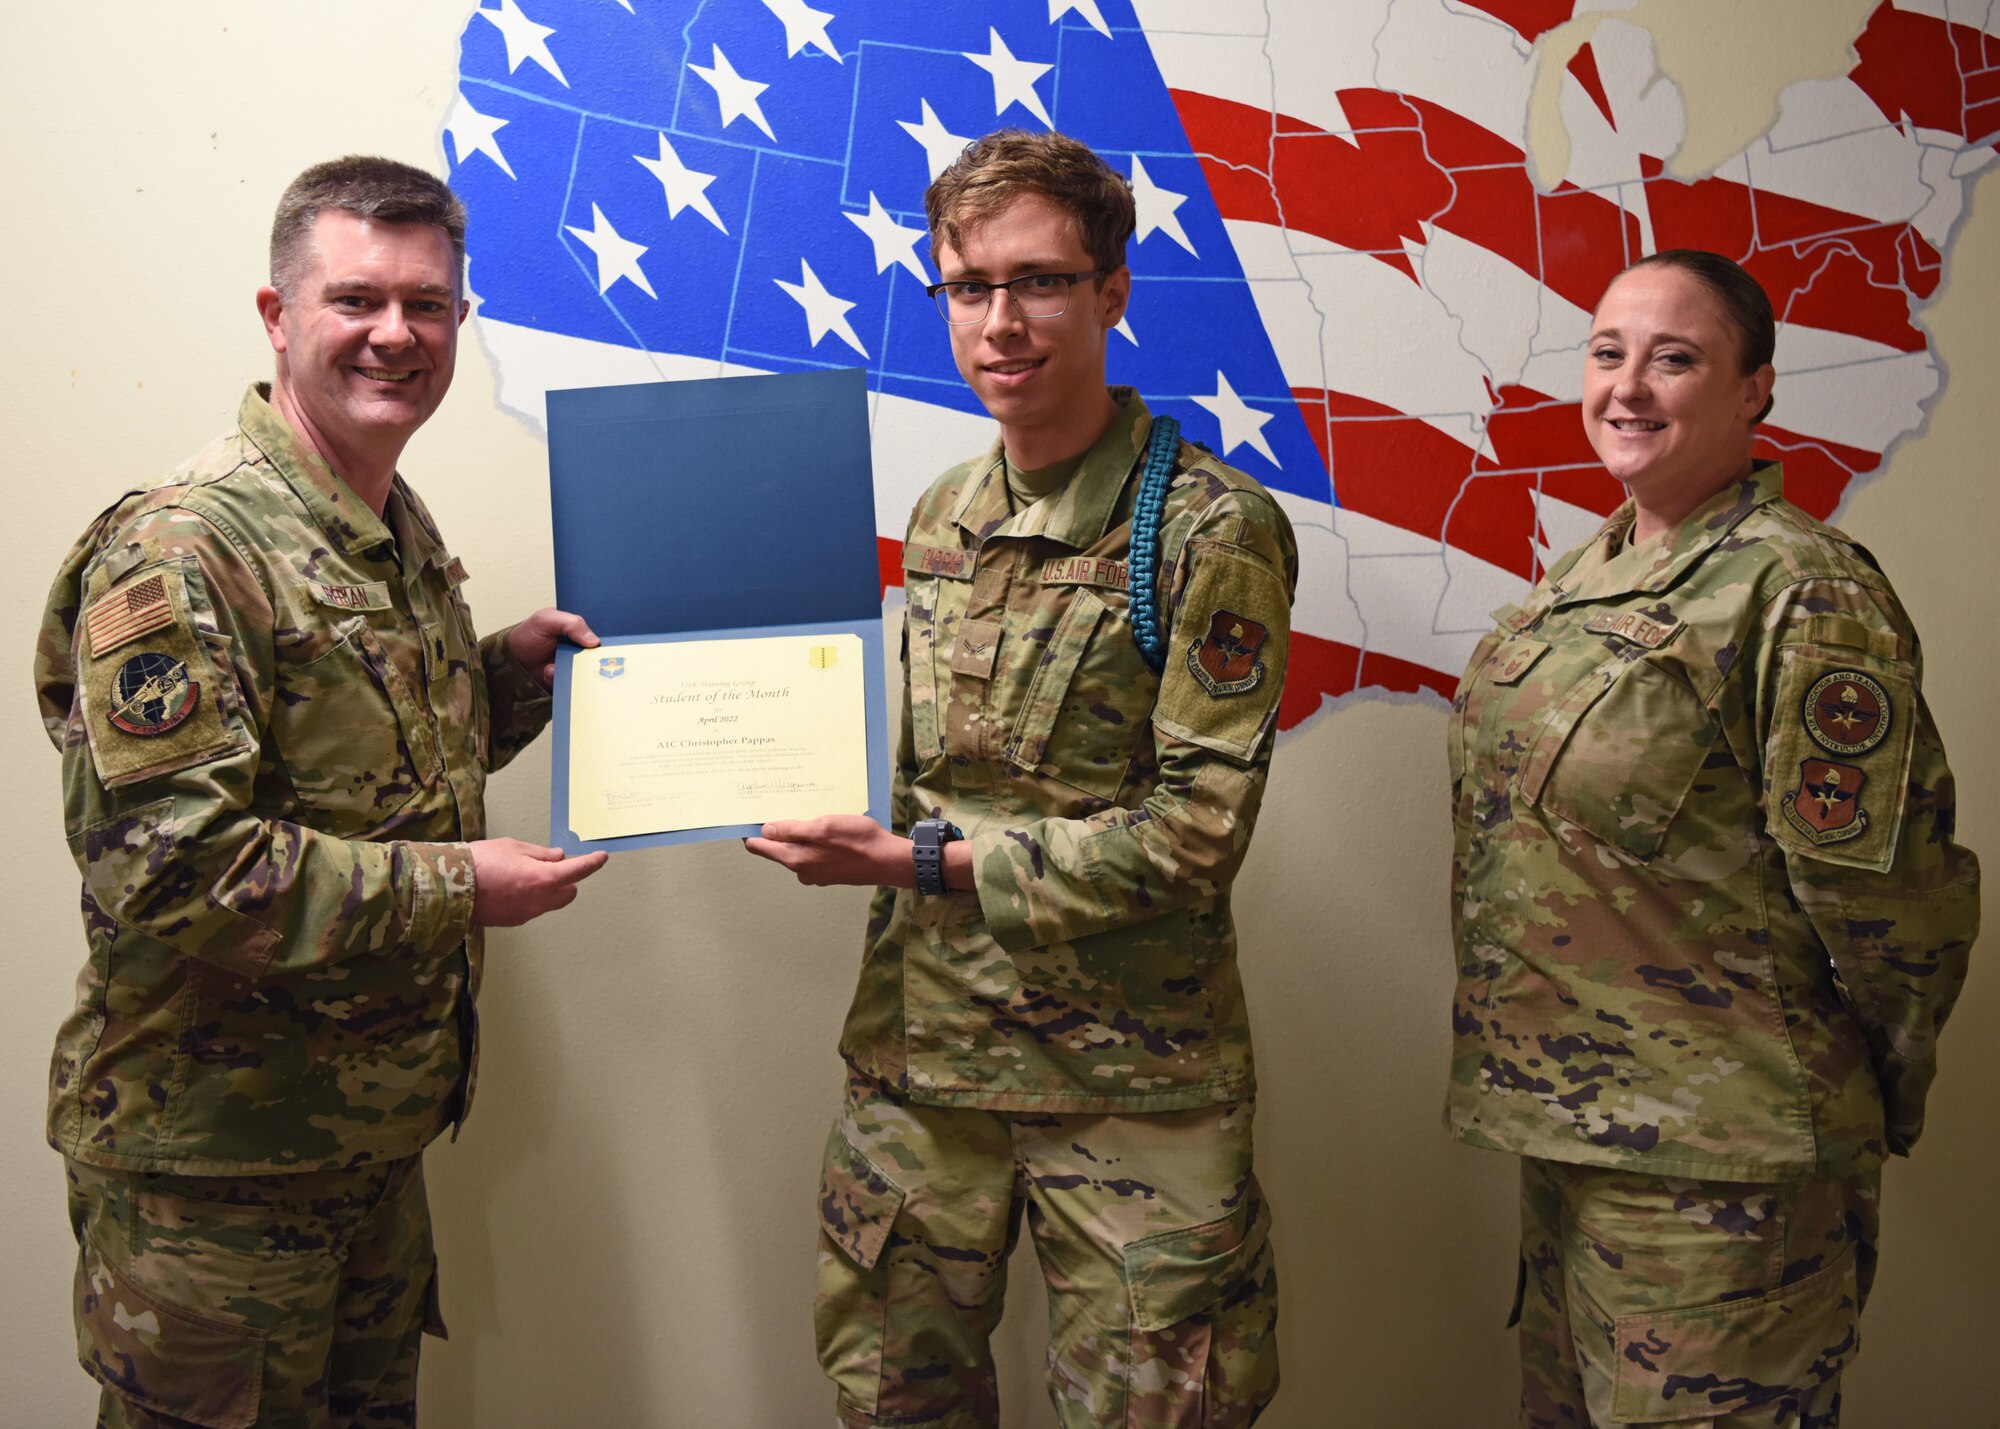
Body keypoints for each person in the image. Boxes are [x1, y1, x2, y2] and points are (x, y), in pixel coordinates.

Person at [31, 155, 610, 1426]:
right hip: (216, 1168)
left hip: (358, 1141)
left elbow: (373, 765)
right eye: (357, 300)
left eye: (429, 305)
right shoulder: (187, 545)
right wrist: (463, 889)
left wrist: (511, 674)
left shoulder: (380, 522)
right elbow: (171, 860)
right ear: (276, 315)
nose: (396, 335)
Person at [747, 129, 1295, 1427]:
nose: (1003, 321)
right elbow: (917, 775)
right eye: (969, 285)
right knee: (892, 1406)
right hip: (923, 1076)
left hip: (1133, 1094)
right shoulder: (943, 514)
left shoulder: (1210, 530)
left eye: (1041, 281)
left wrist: (919, 863)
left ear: (1110, 292)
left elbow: (1196, 836)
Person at [1445, 249, 1979, 1428]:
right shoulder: (1578, 582)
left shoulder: (1797, 590)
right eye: (1606, 352)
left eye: (1673, 357)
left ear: (1753, 392)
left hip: (1726, 1173)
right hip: (1577, 1139)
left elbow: (1890, 898)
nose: (1627, 385)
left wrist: (1860, 1090)